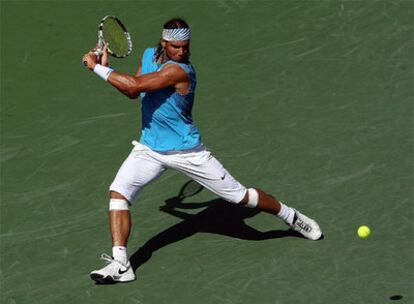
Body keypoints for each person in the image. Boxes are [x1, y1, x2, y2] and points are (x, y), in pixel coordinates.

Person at [82, 18, 322, 284]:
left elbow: (134, 85)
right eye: (176, 46)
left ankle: (291, 216)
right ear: (164, 42)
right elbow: (134, 92)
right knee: (118, 193)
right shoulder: (150, 55)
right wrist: (106, 68)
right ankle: (122, 264)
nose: (182, 51)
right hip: (149, 148)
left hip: (187, 152)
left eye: (185, 46)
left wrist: (98, 69)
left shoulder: (181, 71)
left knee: (241, 197)